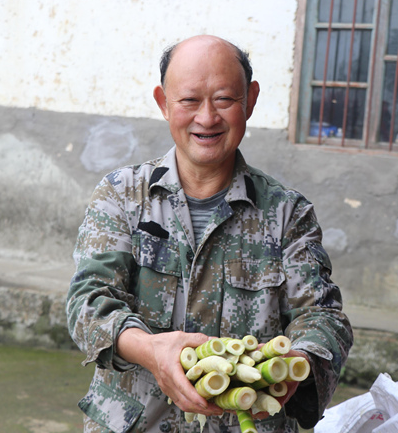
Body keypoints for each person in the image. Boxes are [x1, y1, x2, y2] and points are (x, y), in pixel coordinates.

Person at [66, 35, 353, 433]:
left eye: (224, 99)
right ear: (163, 103)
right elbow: (88, 302)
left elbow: (322, 316)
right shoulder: (122, 195)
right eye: (188, 101)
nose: (207, 118)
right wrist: (151, 350)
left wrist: (294, 365)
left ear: (249, 101)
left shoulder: (288, 213)